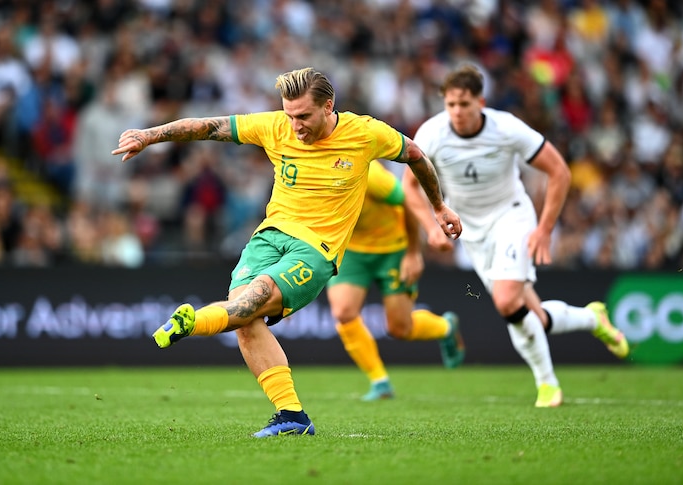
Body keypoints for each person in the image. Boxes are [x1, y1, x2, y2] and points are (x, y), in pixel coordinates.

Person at [112, 67, 462, 436]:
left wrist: (438, 209)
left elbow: (416, 155)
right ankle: (292, 415)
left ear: (329, 106)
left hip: (317, 249)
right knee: (244, 323)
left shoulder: (365, 134)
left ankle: (191, 321)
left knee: (248, 304)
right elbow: (208, 126)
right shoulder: (275, 125)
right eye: (290, 115)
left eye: (304, 116)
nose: (295, 126)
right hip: (268, 238)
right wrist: (148, 136)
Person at [410, 64, 628, 408]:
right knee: (532, 315)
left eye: (464, 104)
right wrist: (428, 224)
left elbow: (559, 171)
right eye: (450, 104)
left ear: (480, 101)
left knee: (507, 301)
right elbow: (410, 186)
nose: (457, 112)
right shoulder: (432, 134)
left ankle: (548, 385)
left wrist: (544, 229)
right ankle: (591, 317)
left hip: (511, 216)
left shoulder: (506, 128)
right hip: (471, 232)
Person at [328, 161, 465, 402]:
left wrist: (413, 253)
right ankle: (380, 382)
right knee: (343, 312)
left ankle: (446, 328)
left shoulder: (371, 177)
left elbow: (408, 204)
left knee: (399, 328)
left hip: (393, 250)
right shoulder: (312, 177)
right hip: (352, 252)